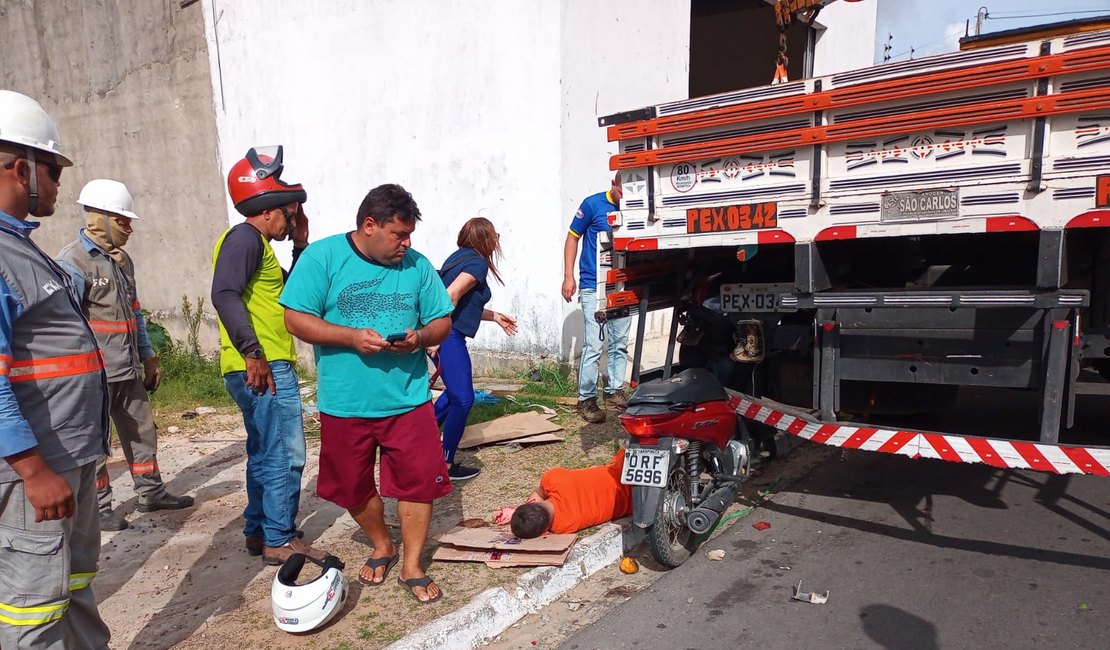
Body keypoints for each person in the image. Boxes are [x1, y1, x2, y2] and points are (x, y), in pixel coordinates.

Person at [281, 183, 454, 603]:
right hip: (345, 403)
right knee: (351, 487)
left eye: (409, 234)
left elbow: (441, 323)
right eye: (398, 234)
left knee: (417, 485)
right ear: (369, 225)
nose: (406, 243)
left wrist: (419, 337)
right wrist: (350, 337)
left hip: (408, 400)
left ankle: (412, 564)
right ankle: (382, 544)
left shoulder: (417, 266)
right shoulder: (323, 258)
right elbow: (295, 319)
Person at [0, 90, 112, 648]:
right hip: (36, 469)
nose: (61, 183)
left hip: (67, 455)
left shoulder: (22, 248)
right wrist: (31, 469)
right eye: (54, 168)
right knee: (32, 612)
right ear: (23, 168)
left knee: (75, 582)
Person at [211, 145, 327, 566]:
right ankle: (279, 536)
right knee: (284, 453)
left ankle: (259, 530)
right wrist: (253, 352)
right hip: (263, 364)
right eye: (288, 214)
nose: (290, 220)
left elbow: (291, 297)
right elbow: (223, 294)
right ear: (268, 207)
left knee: (264, 450)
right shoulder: (245, 239)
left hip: (258, 362)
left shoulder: (256, 245)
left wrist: (300, 245)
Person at [57, 179, 194, 532]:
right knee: (96, 443)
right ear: (99, 219)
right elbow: (67, 326)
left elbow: (134, 312)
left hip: (127, 368)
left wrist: (148, 357)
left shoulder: (121, 261)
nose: (129, 229)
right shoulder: (72, 262)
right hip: (94, 373)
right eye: (123, 221)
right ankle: (100, 508)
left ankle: (151, 493)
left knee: (142, 432)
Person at [431, 217, 518, 481]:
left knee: (457, 393)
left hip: (446, 333)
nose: (496, 241)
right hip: (448, 336)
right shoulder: (477, 263)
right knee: (464, 398)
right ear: (484, 239)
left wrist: (495, 317)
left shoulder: (459, 257)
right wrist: (435, 334)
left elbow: (465, 304)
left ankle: (419, 437)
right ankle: (445, 463)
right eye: (494, 236)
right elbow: (450, 296)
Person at [561, 172, 632, 424]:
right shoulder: (592, 204)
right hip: (594, 285)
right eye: (623, 191)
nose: (626, 196)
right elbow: (572, 238)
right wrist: (569, 276)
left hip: (623, 285)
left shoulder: (635, 207)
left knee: (620, 341)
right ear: (614, 185)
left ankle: (614, 391)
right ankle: (586, 399)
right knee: (594, 343)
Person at [504, 448, 632, 539]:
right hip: (625, 467)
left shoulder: (564, 527)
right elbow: (538, 493)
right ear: (532, 503)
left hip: (636, 500)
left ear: (545, 532)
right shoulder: (553, 480)